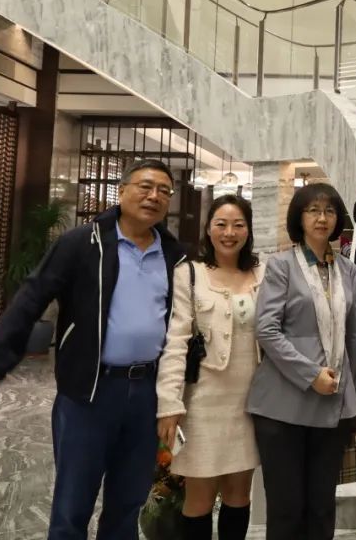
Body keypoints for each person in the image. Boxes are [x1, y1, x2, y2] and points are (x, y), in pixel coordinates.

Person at [0, 159, 186, 540]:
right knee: (71, 508)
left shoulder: (174, 255)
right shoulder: (82, 243)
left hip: (148, 393)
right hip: (89, 392)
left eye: (164, 191)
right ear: (122, 191)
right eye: (146, 186)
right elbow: (30, 300)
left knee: (127, 506)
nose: (154, 196)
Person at [247, 183, 356, 540]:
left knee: (322, 507)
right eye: (313, 210)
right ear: (299, 217)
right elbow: (266, 330)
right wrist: (311, 374)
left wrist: (351, 399)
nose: (322, 218)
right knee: (286, 508)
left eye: (329, 210)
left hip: (332, 404)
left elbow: (352, 337)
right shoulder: (281, 265)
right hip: (283, 404)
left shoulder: (348, 270)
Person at [156, 194, 264, 540]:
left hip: (251, 401)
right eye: (221, 224)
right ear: (208, 229)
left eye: (238, 225)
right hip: (202, 402)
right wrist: (169, 403)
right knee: (199, 499)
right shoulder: (190, 274)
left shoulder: (263, 273)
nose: (229, 233)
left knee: (238, 495)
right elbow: (176, 342)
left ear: (248, 230)